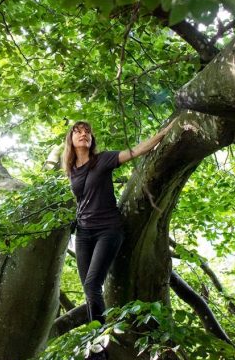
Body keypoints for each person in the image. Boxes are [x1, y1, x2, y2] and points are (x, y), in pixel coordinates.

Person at [62, 118, 175, 329]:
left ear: (92, 138)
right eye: (78, 131)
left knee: (92, 284)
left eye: (87, 131)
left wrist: (164, 132)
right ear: (70, 139)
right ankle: (95, 336)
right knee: (89, 290)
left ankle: (101, 338)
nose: (83, 133)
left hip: (108, 230)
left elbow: (136, 151)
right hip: (84, 234)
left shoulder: (103, 160)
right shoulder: (71, 171)